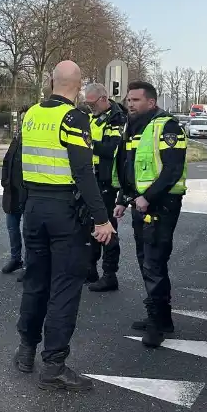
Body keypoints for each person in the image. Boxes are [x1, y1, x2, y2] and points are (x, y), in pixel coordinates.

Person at [14, 60, 115, 391]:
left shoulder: (31, 115)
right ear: (78, 84)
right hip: (64, 211)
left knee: (35, 282)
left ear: (52, 81)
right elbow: (84, 172)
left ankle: (26, 350)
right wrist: (102, 219)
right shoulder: (75, 118)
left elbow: (18, 163)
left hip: (34, 209)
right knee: (64, 289)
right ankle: (54, 365)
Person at [113, 81, 188, 348]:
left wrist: (147, 197)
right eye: (128, 100)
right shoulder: (134, 126)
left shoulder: (167, 126)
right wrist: (124, 198)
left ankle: (157, 326)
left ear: (151, 102)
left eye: (135, 100)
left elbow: (172, 169)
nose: (129, 104)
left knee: (153, 263)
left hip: (161, 203)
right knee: (147, 260)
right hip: (141, 203)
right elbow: (129, 166)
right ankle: (161, 318)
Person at [82, 82, 127, 292]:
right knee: (89, 225)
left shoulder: (117, 118)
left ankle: (110, 274)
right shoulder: (94, 116)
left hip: (107, 179)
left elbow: (111, 148)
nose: (90, 108)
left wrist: (87, 143)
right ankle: (90, 269)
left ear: (103, 98)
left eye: (92, 104)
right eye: (87, 105)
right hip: (91, 176)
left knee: (107, 225)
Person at [0, 129, 27, 278]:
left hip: (27, 193)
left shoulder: (33, 141)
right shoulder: (17, 139)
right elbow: (7, 160)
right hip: (12, 192)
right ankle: (15, 258)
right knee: (12, 228)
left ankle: (29, 265)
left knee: (29, 231)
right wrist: (5, 181)